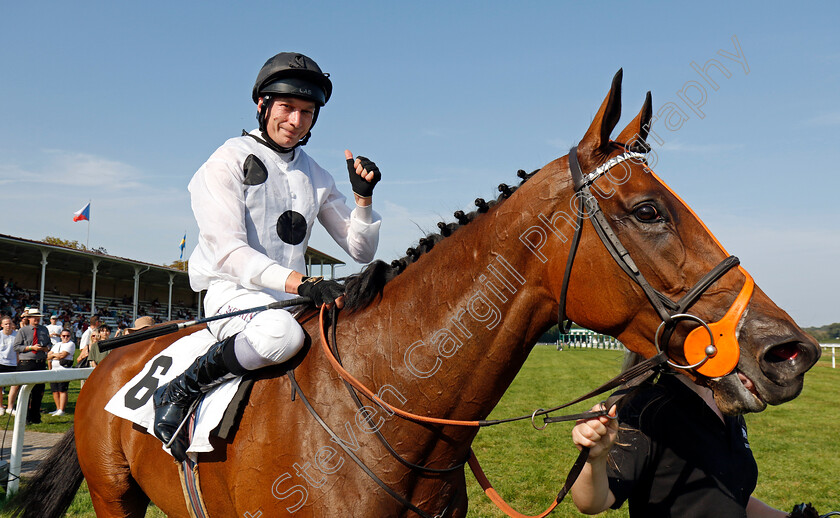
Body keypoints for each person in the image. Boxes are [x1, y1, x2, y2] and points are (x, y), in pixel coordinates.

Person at [151, 51, 383, 459]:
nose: (296, 121)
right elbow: (227, 252)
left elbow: (360, 250)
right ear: (262, 105)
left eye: (307, 112)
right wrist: (303, 282)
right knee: (282, 335)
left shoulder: (318, 175)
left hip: (290, 298)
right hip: (233, 294)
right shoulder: (225, 161)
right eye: (288, 108)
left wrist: (363, 199)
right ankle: (182, 387)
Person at [570, 354, 793, 517]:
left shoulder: (726, 404)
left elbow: (730, 497)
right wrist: (594, 460)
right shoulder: (647, 408)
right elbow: (592, 503)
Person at [12, 308, 50, 424]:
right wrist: (30, 348)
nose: (36, 319)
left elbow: (49, 344)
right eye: (34, 317)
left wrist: (45, 348)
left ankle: (35, 417)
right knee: (25, 392)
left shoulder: (44, 330)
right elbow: (16, 347)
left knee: (38, 392)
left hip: (40, 362)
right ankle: (25, 417)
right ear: (29, 318)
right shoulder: (23, 331)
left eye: (38, 317)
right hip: (27, 363)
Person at [46, 329, 75, 416]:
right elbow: (48, 356)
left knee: (62, 390)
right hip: (54, 369)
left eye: (67, 336)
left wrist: (53, 356)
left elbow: (63, 355)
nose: (65, 337)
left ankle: (62, 410)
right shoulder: (57, 344)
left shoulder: (71, 344)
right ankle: (57, 408)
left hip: (64, 369)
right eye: (63, 336)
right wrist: (56, 356)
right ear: (60, 336)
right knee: (55, 390)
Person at [0, 315, 18, 415]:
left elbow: (18, 351)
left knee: (14, 385)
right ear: (2, 325)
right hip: (1, 362)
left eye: (10, 323)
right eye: (6, 324)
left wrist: (19, 361)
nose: (8, 325)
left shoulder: (16, 335)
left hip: (13, 363)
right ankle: (0, 406)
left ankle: (10, 407)